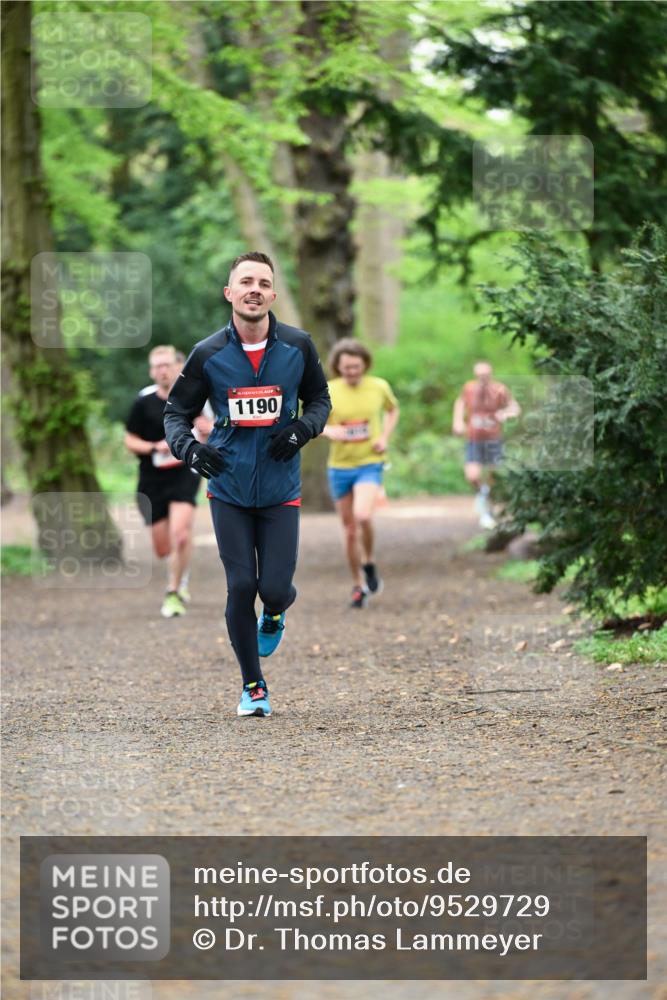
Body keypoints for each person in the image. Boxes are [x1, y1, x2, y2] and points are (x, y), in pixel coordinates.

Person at [164, 251, 331, 718]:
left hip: (281, 488)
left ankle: (277, 610)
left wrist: (301, 430)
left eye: (263, 282)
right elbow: (175, 413)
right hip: (229, 486)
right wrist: (192, 451)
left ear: (273, 294)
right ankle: (253, 686)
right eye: (246, 282)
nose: (254, 289)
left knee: (274, 587)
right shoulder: (208, 353)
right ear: (230, 293)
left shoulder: (298, 346)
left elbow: (319, 399)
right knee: (241, 585)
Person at [125, 345, 203, 618]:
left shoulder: (195, 397)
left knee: (181, 533)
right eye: (157, 366)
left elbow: (215, 431)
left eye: (166, 364)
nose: (162, 370)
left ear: (178, 367)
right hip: (152, 478)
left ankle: (174, 591)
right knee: (162, 548)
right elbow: (129, 440)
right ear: (151, 371)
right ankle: (180, 567)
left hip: (184, 472)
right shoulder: (143, 401)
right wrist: (153, 447)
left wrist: (206, 432)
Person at [321, 339, 399, 608]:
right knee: (349, 529)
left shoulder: (378, 386)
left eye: (356, 366)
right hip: (340, 466)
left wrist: (385, 437)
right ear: (337, 367)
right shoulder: (329, 390)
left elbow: (393, 411)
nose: (351, 372)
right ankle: (358, 583)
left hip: (370, 462)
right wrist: (329, 430)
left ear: (365, 364)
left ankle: (368, 560)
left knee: (363, 515)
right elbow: (313, 421)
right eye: (346, 368)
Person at [452, 361, 520, 529]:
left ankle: (486, 510)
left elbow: (515, 407)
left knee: (493, 477)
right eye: (479, 375)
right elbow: (460, 403)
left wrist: (505, 413)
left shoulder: (499, 390)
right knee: (472, 475)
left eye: (485, 375)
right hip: (474, 439)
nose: (482, 378)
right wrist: (458, 421)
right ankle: (482, 497)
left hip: (493, 439)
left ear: (490, 375)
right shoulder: (469, 388)